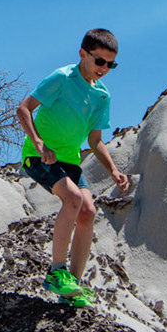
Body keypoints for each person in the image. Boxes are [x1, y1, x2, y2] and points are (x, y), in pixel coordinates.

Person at [16, 28, 131, 306]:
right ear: (83, 54)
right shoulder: (63, 78)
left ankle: (74, 287)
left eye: (110, 64)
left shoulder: (102, 95)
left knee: (89, 211)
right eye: (99, 61)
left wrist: (113, 170)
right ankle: (56, 272)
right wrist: (39, 142)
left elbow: (95, 140)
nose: (104, 68)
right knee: (74, 198)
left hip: (70, 162)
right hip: (39, 156)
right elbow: (23, 108)